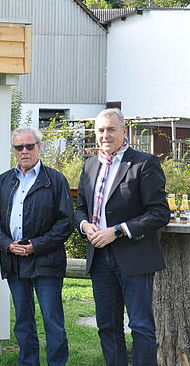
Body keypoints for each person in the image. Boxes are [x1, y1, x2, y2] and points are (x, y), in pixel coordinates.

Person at [74, 108, 169, 366]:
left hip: (134, 257)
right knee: (107, 326)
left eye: (111, 129)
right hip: (100, 258)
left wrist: (118, 230)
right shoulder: (90, 164)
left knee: (140, 326)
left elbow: (160, 213)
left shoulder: (144, 163)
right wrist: (84, 224)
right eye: (100, 130)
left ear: (124, 131)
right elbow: (81, 207)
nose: (105, 135)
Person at [0, 127, 72, 366]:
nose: (24, 151)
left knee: (52, 320)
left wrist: (37, 245)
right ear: (14, 150)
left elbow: (66, 222)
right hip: (14, 260)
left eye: (29, 146)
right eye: (19, 147)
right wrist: (6, 244)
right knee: (23, 321)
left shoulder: (55, 180)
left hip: (46, 261)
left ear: (39, 147)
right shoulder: (4, 181)